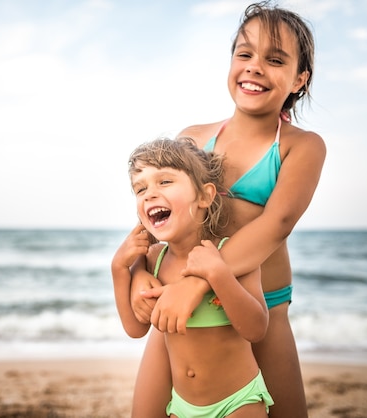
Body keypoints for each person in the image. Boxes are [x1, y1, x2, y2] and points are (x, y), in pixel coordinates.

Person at [125, 2, 326, 417]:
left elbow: (277, 224)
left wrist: (196, 283)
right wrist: (140, 271)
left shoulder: (299, 146)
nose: (254, 67)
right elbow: (157, 215)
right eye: (244, 53)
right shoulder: (193, 137)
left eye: (275, 59)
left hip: (260, 304)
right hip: (181, 306)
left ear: (299, 78)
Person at [112, 137, 274, 417]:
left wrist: (219, 276)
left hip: (238, 402)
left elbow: (256, 329)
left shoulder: (229, 255)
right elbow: (135, 329)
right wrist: (118, 269)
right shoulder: (154, 259)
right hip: (181, 406)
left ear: (204, 196)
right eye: (140, 188)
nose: (149, 194)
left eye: (164, 182)